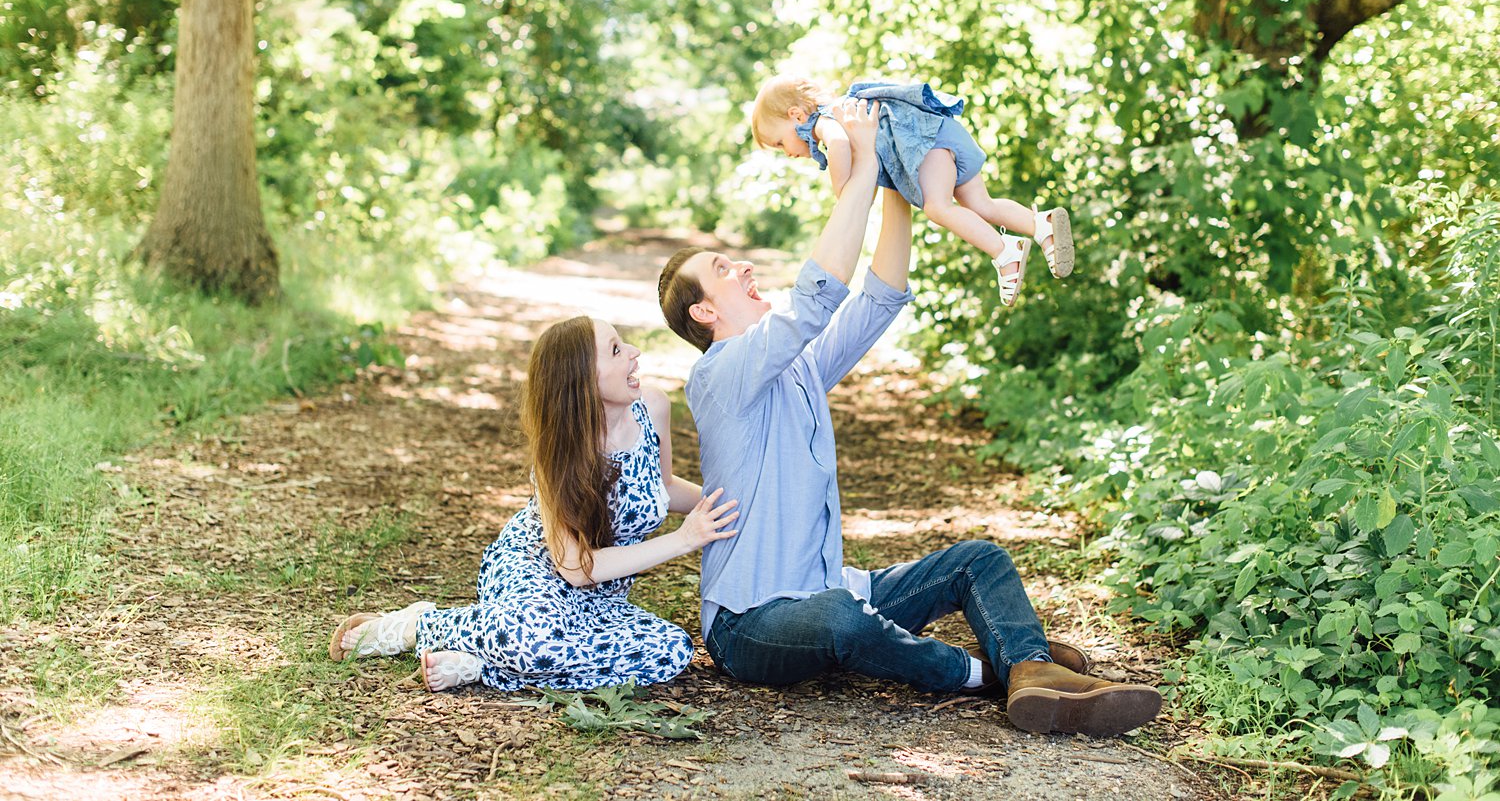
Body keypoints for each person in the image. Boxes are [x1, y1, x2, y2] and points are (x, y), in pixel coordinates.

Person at [658, 98, 1160, 736]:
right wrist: (861, 161)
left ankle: (1034, 676)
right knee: (842, 618)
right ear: (704, 314)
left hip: (834, 587)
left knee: (977, 559)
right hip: (752, 623)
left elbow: (877, 298)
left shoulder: (797, 367)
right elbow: (819, 294)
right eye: (723, 271)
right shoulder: (719, 376)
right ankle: (987, 674)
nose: (744, 266)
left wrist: (894, 176)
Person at [327, 316, 739, 692]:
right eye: (616, 350)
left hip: (603, 596)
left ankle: (479, 664)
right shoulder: (561, 459)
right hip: (536, 572)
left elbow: (663, 486)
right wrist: (685, 540)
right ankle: (417, 626)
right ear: (582, 381)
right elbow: (576, 570)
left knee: (670, 649)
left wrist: (728, 505)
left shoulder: (652, 407)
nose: (634, 353)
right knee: (536, 640)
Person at [750, 74, 1074, 307]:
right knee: (981, 203)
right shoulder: (844, 112)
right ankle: (1039, 224)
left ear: (796, 115)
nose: (787, 151)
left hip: (926, 142)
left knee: (937, 207)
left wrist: (843, 194)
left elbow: (837, 144)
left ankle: (1004, 252)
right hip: (941, 132)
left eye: (780, 142)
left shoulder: (823, 120)